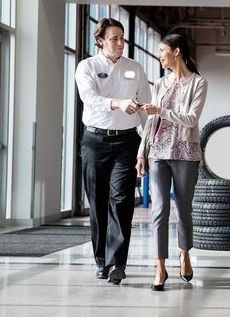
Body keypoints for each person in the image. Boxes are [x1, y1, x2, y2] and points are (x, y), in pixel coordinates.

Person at [75, 18, 150, 285]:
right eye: (114, 38)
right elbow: (90, 99)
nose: (120, 43)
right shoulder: (87, 67)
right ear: (100, 41)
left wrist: (148, 146)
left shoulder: (135, 68)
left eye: (122, 38)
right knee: (97, 202)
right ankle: (100, 261)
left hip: (127, 143)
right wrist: (118, 103)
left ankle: (117, 262)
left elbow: (146, 110)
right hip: (94, 141)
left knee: (121, 200)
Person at [135, 33, 207, 291]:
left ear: (176, 52)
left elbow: (190, 119)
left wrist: (161, 111)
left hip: (186, 154)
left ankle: (184, 254)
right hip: (158, 153)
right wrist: (141, 153)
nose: (159, 55)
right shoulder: (160, 84)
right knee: (159, 210)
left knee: (183, 210)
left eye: (162, 50)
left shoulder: (198, 83)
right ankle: (160, 268)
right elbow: (151, 122)